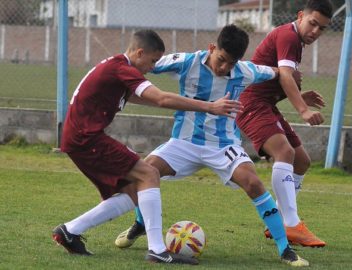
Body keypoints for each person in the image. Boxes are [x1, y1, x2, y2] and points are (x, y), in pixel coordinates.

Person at [114, 24, 309, 267]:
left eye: (232, 63)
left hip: (223, 145)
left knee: (253, 182)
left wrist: (298, 94)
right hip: (183, 143)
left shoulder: (245, 71)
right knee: (146, 171)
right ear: (212, 48)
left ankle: (285, 249)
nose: (225, 68)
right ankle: (140, 223)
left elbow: (277, 72)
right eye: (222, 60)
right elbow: (143, 63)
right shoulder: (186, 62)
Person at [52, 29, 244, 265]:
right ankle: (157, 250)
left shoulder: (116, 67)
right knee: (149, 173)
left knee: (134, 191)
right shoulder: (123, 68)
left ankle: (69, 231)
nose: (153, 67)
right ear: (140, 52)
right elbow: (161, 98)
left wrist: (184, 106)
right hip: (86, 138)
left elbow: (146, 99)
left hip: (81, 137)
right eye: (152, 61)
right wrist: (209, 107)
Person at [236, 0, 333, 247]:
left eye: (321, 28)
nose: (315, 32)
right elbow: (286, 75)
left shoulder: (295, 40)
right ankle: (291, 224)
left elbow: (278, 78)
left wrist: (301, 96)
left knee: (301, 161)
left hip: (266, 105)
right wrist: (303, 109)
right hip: (251, 105)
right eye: (312, 23)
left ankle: (279, 222)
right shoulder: (288, 36)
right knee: (284, 152)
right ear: (301, 16)